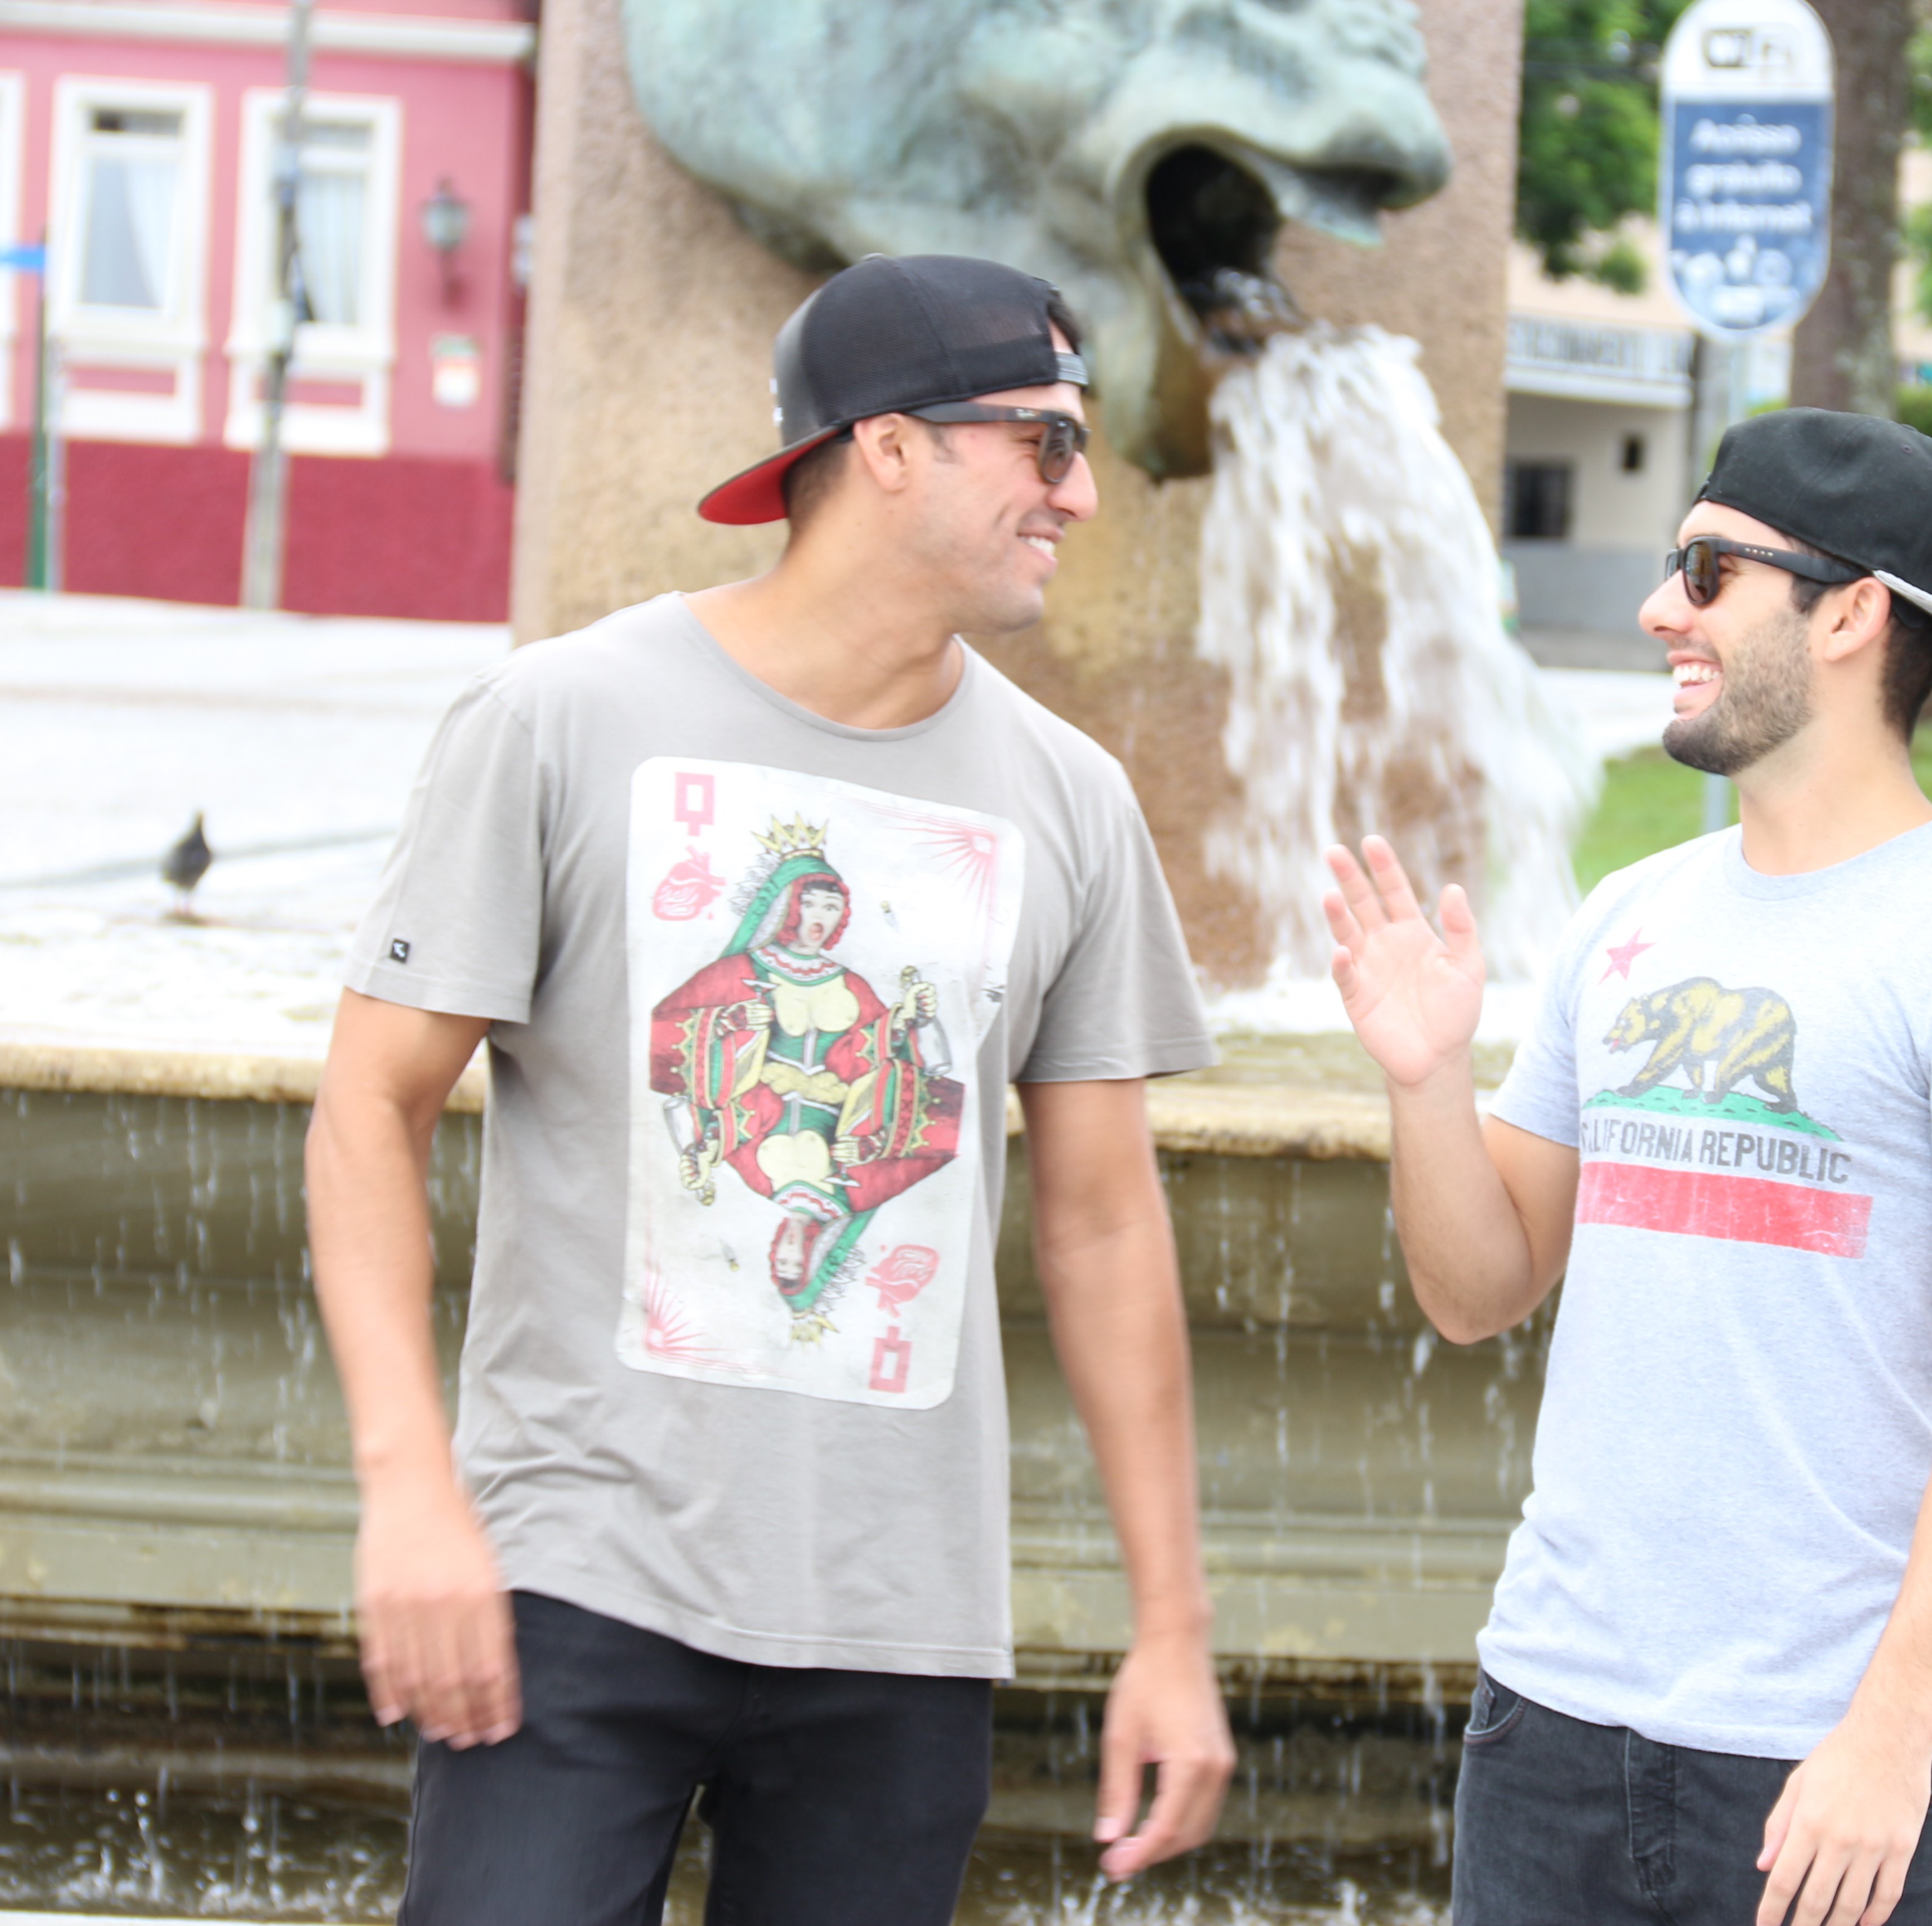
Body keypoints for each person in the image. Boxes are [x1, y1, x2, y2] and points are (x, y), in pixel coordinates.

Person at [307, 253, 1234, 1926]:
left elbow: (1104, 1225)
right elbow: (370, 1107)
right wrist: (409, 1491)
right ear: (889, 446)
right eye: (1043, 442)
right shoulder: (559, 720)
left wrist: (1172, 1629)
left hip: (900, 1628)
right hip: (572, 1586)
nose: (1081, 494)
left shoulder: (1073, 803)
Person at [1326, 409, 1932, 1926]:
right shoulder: (1627, 917)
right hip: (1549, 1725)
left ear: (1853, 614)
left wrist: (1887, 1737)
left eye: (1705, 572)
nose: (1657, 611)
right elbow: (1478, 1293)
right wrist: (1424, 1084)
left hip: (1835, 1764)